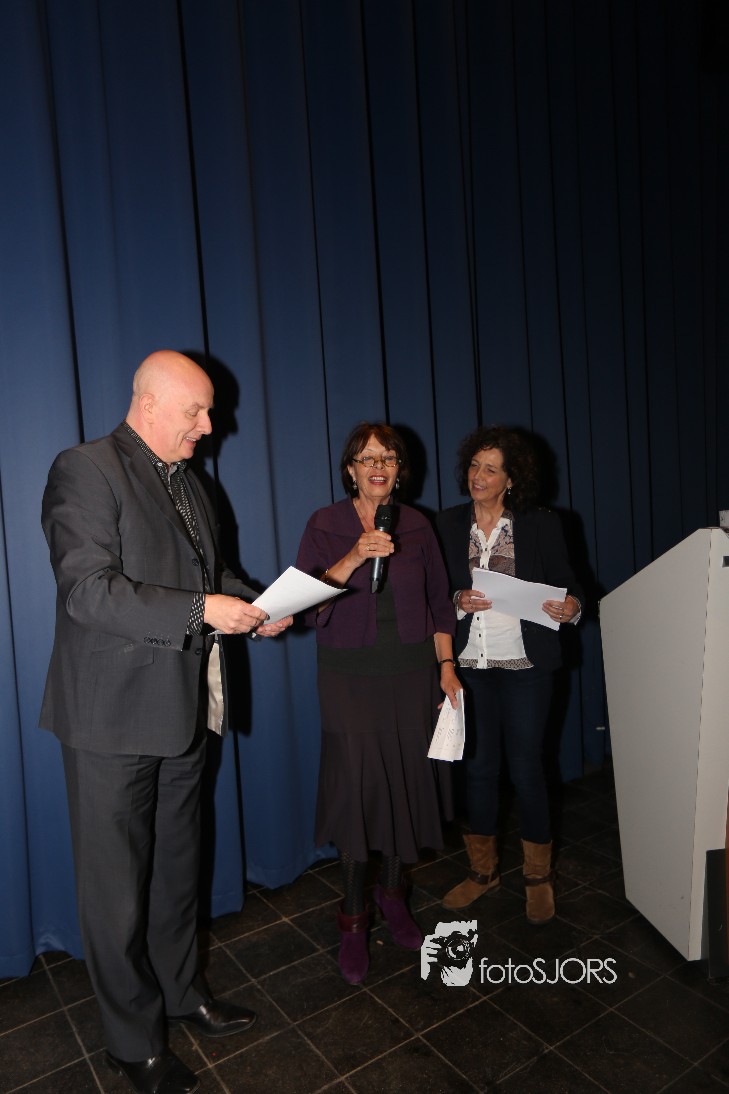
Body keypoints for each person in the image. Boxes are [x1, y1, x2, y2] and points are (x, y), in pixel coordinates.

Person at [40, 351, 291, 1094]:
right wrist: (204, 610)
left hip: (184, 711)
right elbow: (88, 591)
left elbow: (209, 579)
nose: (209, 427)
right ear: (148, 404)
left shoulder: (189, 482)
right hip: (110, 720)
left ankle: (182, 994)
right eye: (196, 411)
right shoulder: (85, 468)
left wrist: (258, 606)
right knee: (116, 893)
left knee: (178, 872)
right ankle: (131, 1042)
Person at [295, 422, 460, 984]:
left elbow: (439, 603)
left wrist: (446, 666)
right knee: (358, 794)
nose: (378, 466)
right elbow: (307, 603)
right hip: (349, 680)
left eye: (388, 458)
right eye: (367, 458)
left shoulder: (417, 524)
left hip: (412, 675)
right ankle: (352, 918)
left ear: (399, 470)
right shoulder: (325, 524)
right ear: (350, 470)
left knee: (403, 788)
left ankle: (392, 896)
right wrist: (352, 556)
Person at [436, 426, 582, 924]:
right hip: (471, 665)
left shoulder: (541, 523)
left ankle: (538, 877)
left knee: (526, 769)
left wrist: (572, 606)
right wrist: (457, 599)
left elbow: (571, 584)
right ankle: (483, 872)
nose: (478, 476)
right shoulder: (447, 523)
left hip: (526, 666)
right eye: (474, 466)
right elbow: (435, 591)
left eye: (491, 469)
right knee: (478, 770)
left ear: (511, 479)